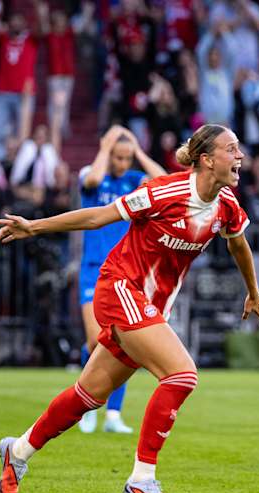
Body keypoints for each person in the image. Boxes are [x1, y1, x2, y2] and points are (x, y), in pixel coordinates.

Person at [0, 124, 259, 493]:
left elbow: (238, 243)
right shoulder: (165, 192)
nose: (241, 156)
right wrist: (34, 226)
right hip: (119, 288)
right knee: (182, 374)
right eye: (232, 149)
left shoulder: (225, 204)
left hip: (149, 308)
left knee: (87, 396)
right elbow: (99, 218)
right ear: (208, 160)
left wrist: (253, 291)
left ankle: (17, 452)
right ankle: (142, 477)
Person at [76, 125, 167, 434]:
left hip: (128, 272)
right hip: (93, 268)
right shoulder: (94, 174)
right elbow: (90, 180)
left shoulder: (132, 181)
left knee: (125, 342)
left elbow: (163, 181)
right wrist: (105, 146)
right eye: (119, 156)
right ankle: (87, 407)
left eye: (128, 158)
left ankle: (113, 415)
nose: (123, 164)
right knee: (95, 340)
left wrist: (139, 151)